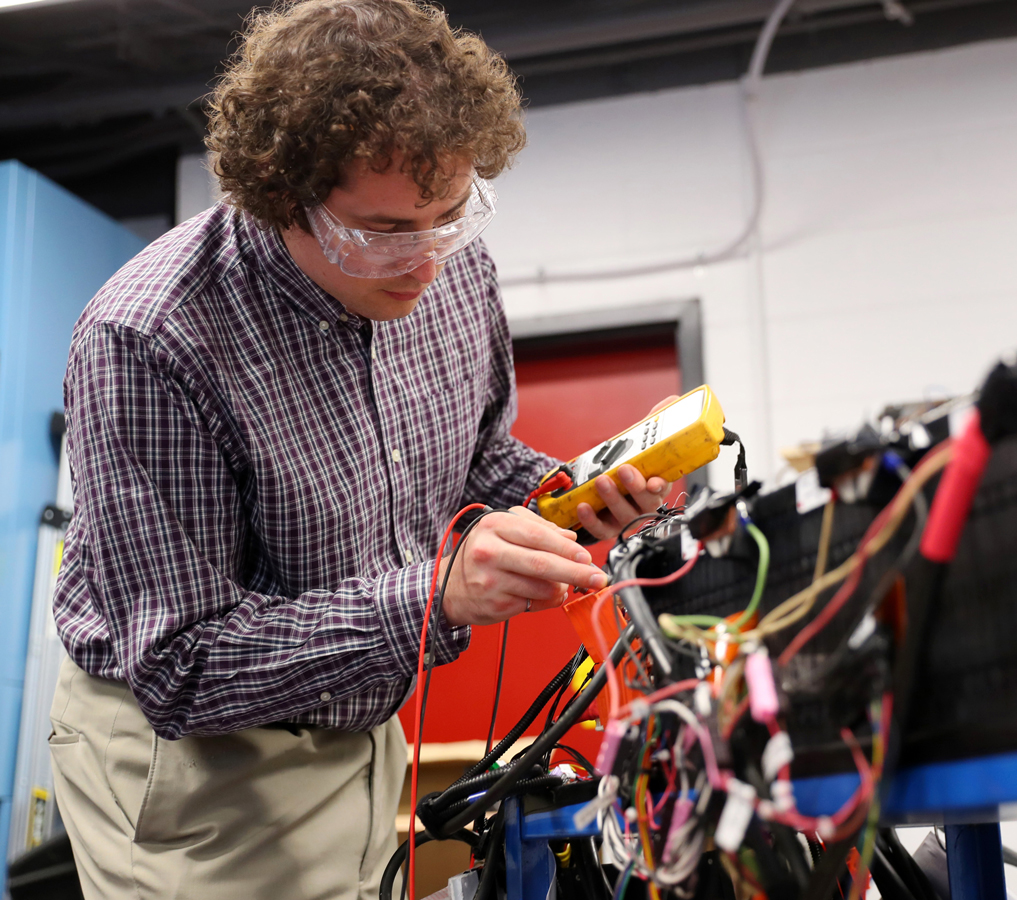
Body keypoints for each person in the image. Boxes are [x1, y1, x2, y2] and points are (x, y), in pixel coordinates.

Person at [47, 1, 672, 897]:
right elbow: (181, 667)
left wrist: (576, 491)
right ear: (278, 198)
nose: (424, 261)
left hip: (364, 720)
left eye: (451, 216)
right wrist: (434, 598)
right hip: (195, 769)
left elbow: (475, 465)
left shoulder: (450, 269)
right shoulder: (150, 338)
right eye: (382, 233)